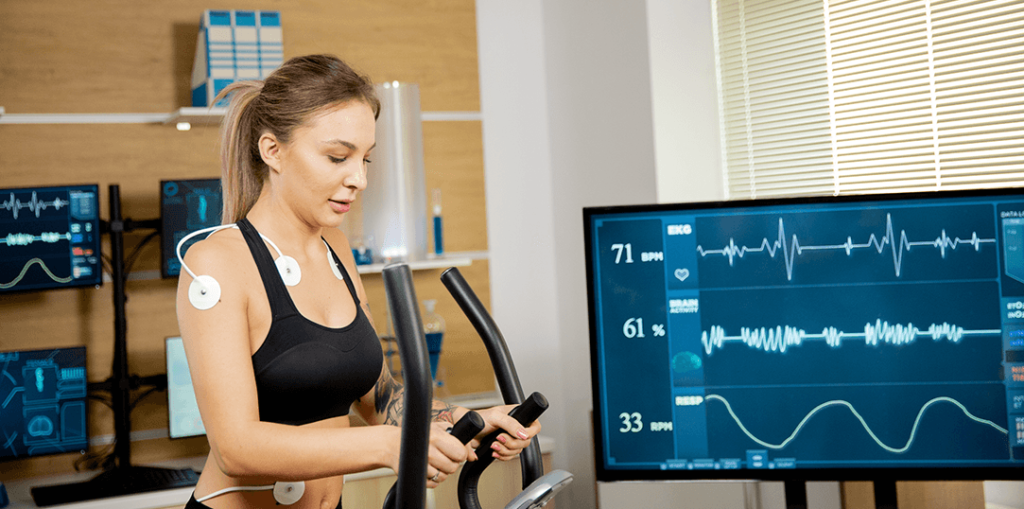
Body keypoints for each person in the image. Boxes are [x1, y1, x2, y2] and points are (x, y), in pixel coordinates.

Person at [176, 54, 540, 509]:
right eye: (337, 156)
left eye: (365, 159)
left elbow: (380, 399)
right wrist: (390, 446)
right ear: (273, 151)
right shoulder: (215, 263)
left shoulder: (336, 249)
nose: (360, 178)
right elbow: (236, 448)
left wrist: (473, 419)